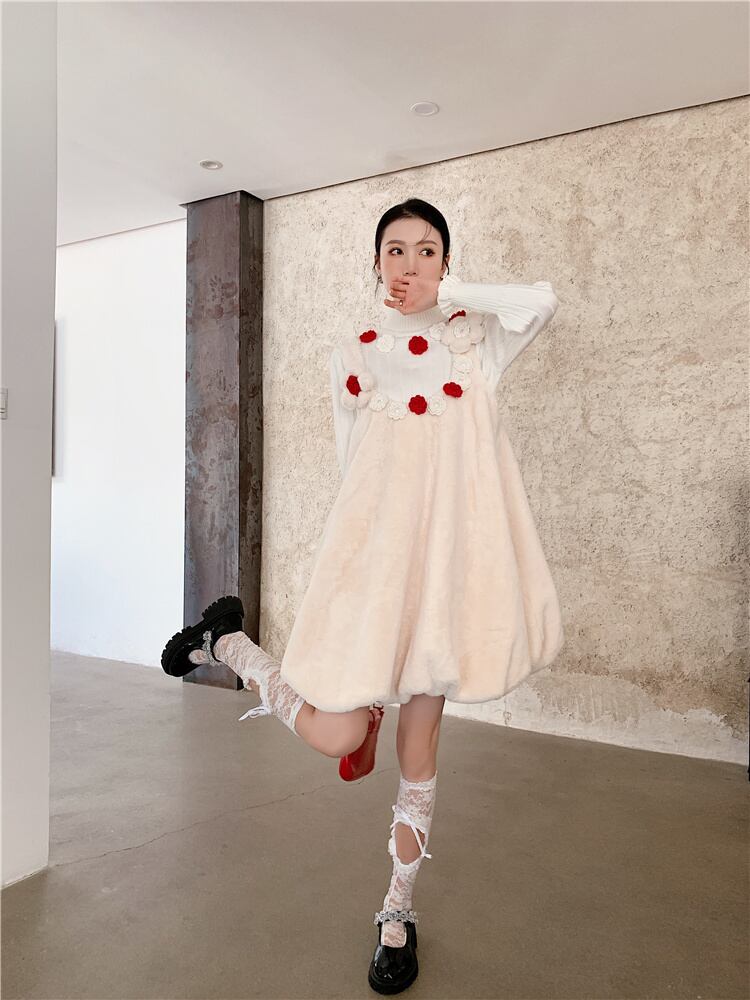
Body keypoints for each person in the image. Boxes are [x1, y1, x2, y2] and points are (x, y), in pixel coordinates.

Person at [161, 197, 564, 995]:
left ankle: (396, 912)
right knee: (337, 731)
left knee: (419, 749)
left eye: (427, 249)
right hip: (377, 576)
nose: (410, 263)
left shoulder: (474, 339)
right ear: (375, 262)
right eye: (395, 250)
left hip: (443, 582)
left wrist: (454, 293)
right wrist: (350, 583)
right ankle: (230, 644)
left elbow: (542, 303)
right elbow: (355, 468)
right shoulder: (357, 351)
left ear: (446, 261)